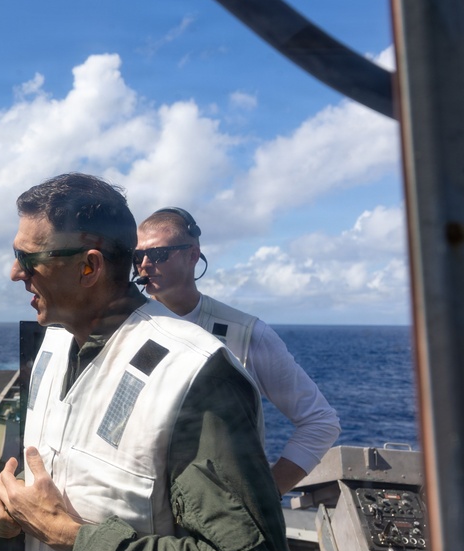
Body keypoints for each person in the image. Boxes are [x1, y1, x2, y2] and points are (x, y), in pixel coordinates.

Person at [0, 173, 288, 551]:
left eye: (29, 260)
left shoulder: (194, 374)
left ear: (90, 266)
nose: (16, 273)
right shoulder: (53, 345)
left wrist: (68, 535)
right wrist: (3, 501)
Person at [135, 208, 340, 494]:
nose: (144, 264)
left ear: (193, 255)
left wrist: (266, 494)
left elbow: (320, 422)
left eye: (158, 254)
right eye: (137, 257)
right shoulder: (125, 330)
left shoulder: (247, 334)